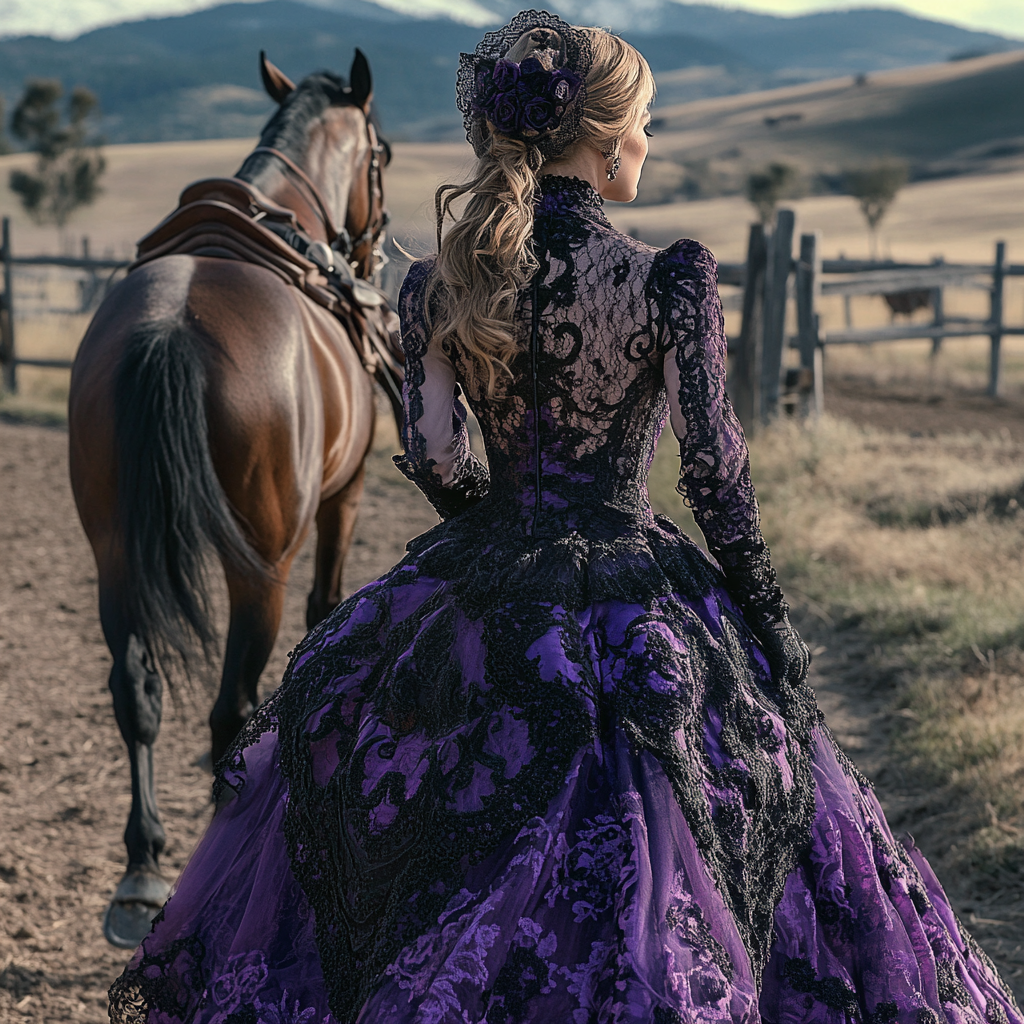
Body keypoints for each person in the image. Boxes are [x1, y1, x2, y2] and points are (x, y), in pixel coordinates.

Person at [109, 12, 1021, 1024]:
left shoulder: (437, 284)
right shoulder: (666, 275)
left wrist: (485, 527)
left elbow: (437, 455)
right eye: (646, 127)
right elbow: (714, 469)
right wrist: (762, 608)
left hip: (480, 578)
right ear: (604, 140)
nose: (650, 145)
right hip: (641, 592)